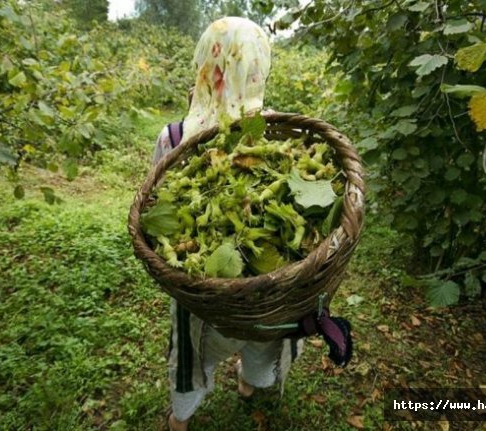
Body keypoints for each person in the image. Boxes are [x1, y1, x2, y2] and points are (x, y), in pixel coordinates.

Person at [151, 17, 304, 431]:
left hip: (201, 295)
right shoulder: (273, 128)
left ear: (204, 64)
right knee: (261, 343)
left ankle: (179, 420)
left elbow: (153, 206)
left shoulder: (175, 135)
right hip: (268, 295)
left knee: (192, 353)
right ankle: (248, 386)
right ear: (259, 68)